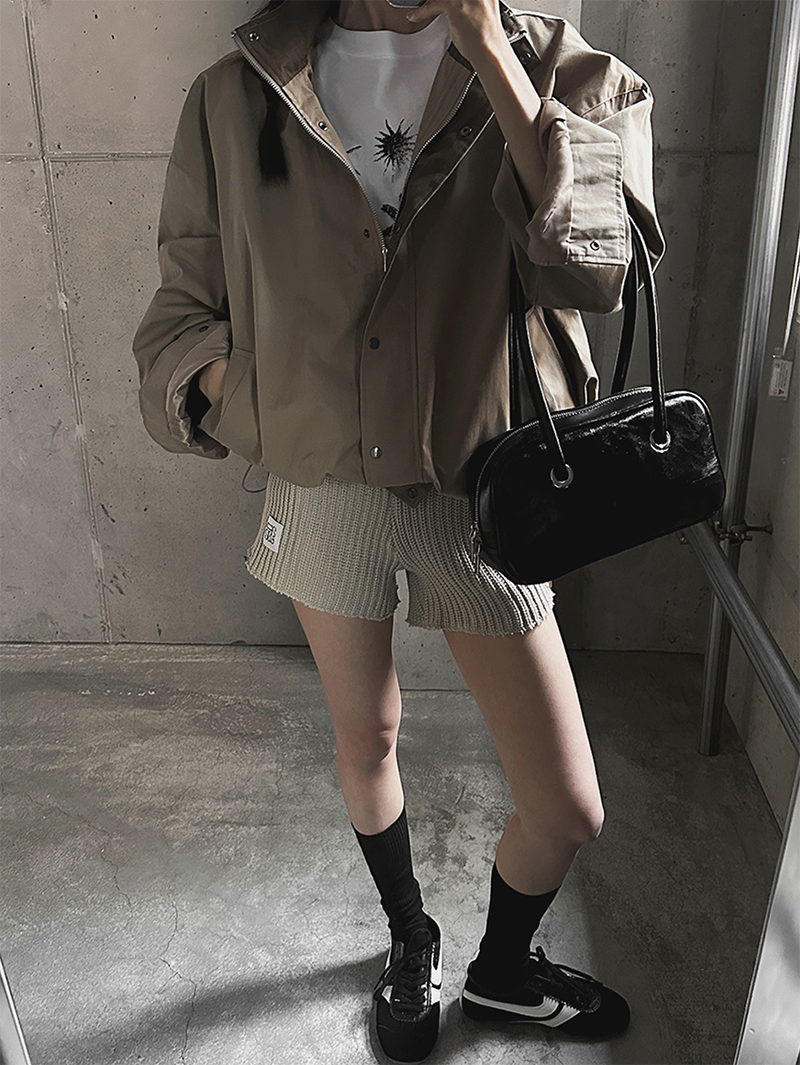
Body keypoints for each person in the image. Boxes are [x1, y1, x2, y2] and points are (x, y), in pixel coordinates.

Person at [132, 0, 665, 1060]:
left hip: (481, 488)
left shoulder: (565, 72)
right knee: (365, 735)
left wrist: (488, 52)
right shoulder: (237, 94)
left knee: (566, 806)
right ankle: (407, 936)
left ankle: (503, 971)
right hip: (325, 485)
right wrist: (264, 398)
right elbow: (183, 312)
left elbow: (594, 270)